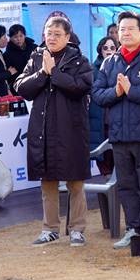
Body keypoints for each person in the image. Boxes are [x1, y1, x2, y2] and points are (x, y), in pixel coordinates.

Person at [92, 11, 140, 249]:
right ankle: (133, 229)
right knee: (126, 186)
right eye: (121, 29)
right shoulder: (109, 62)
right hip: (119, 136)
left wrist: (131, 90)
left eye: (130, 29)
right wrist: (116, 92)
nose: (125, 33)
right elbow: (97, 94)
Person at [15, 17, 93, 247]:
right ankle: (49, 228)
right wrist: (42, 73)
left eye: (57, 34)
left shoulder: (80, 60)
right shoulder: (36, 57)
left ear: (68, 37)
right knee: (47, 181)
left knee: (75, 181)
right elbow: (21, 87)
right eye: (48, 33)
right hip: (43, 128)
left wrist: (55, 74)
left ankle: (77, 228)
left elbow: (81, 88)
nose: (51, 37)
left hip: (71, 129)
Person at [89, 36, 117, 175]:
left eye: (112, 47)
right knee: (103, 162)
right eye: (105, 47)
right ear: (100, 50)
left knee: (118, 160)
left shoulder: (122, 67)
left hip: (117, 120)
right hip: (99, 119)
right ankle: (105, 195)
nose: (109, 50)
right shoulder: (92, 69)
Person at [4, 24, 37, 91]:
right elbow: (9, 75)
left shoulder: (35, 48)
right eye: (15, 37)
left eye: (21, 36)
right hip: (19, 87)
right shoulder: (7, 54)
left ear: (25, 35)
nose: (18, 39)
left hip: (36, 83)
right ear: (10, 38)